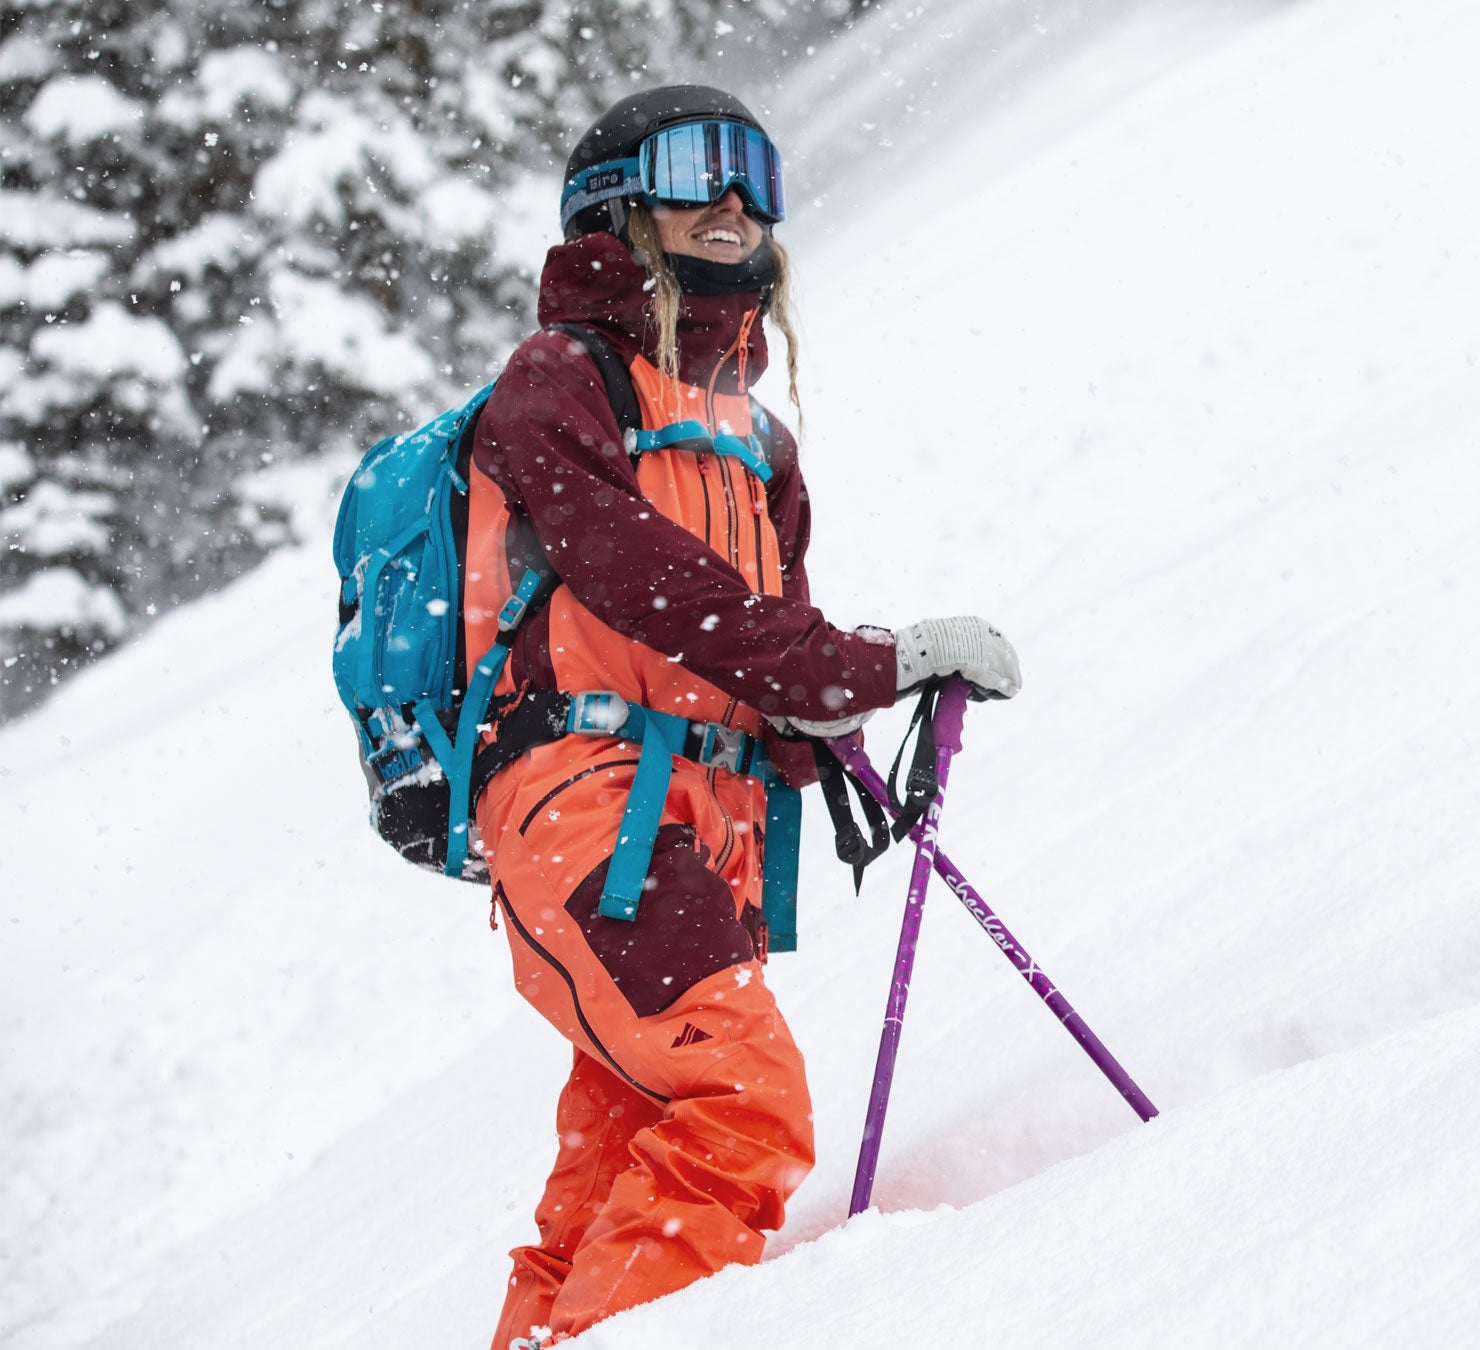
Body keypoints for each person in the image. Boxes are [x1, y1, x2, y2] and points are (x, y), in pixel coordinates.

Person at [463, 85, 1022, 1350]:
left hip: (700, 827)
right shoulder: (562, 381)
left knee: (624, 1162)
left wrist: (852, 707)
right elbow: (636, 576)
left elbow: (773, 660)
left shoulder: (758, 441)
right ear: (616, 203)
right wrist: (862, 668)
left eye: (755, 174)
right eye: (695, 167)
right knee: (742, 1103)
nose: (732, 198)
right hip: (584, 801)